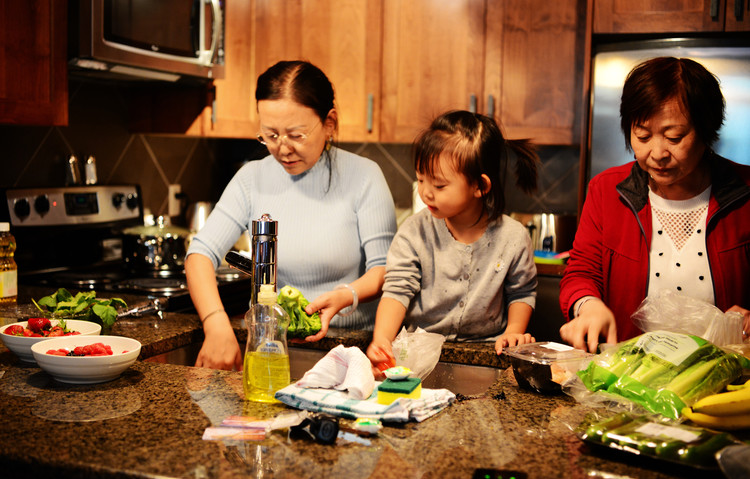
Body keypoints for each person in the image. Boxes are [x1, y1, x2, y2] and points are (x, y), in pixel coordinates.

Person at [186, 60, 397, 370]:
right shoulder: (251, 178)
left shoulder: (364, 177)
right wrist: (215, 322)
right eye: (270, 135)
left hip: (347, 357)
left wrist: (346, 295)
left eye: (296, 135)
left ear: (329, 123)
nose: (282, 149)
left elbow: (385, 271)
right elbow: (200, 254)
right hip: (268, 353)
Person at [559, 57, 750, 353]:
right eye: (643, 136)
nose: (657, 153)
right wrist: (588, 305)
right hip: (627, 379)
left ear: (706, 131)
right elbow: (581, 271)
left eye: (675, 137)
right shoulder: (606, 191)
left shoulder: (745, 192)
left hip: (725, 382)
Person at [366, 110, 540, 370]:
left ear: (479, 186)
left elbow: (522, 292)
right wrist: (382, 339)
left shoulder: (513, 237)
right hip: (419, 354)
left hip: (487, 357)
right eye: (421, 178)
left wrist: (514, 331)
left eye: (439, 185)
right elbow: (397, 289)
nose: (425, 192)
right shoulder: (414, 231)